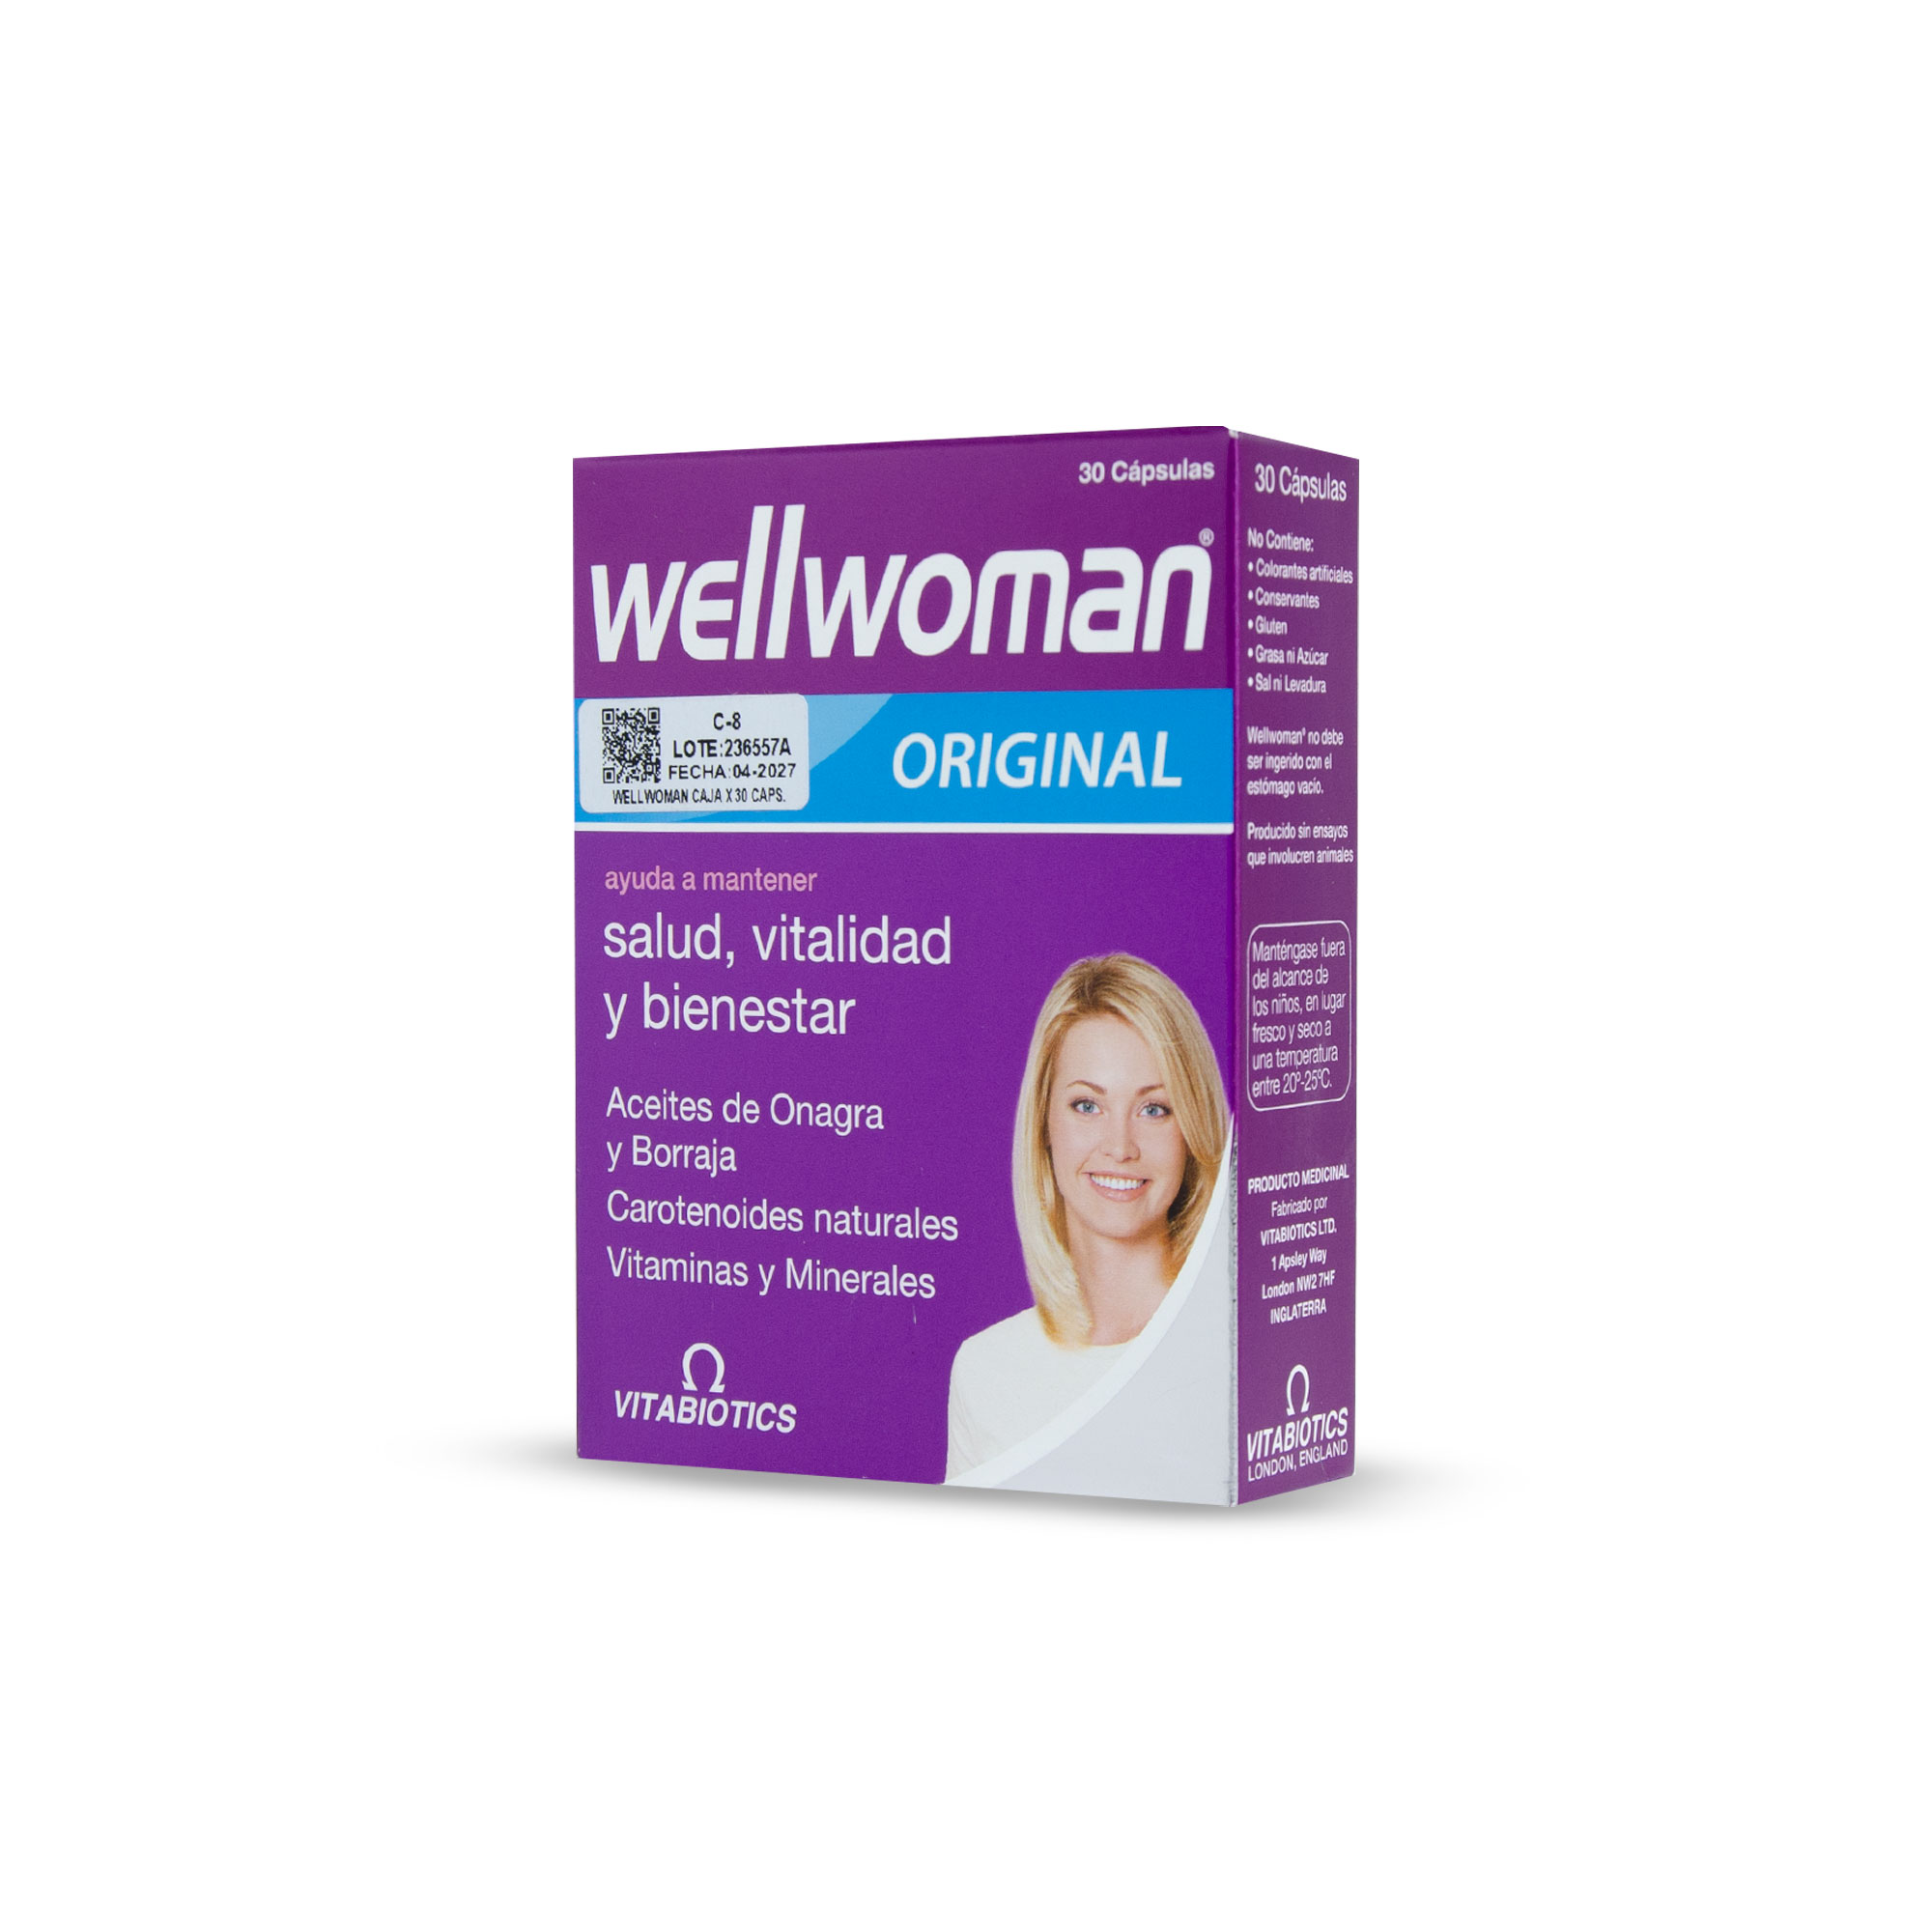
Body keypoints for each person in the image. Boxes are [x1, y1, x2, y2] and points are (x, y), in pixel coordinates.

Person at [945, 953, 1229, 1479]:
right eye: (1087, 1106)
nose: (1120, 1147)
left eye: (1154, 1109)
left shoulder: (1233, 1350)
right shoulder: (986, 1371)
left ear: (1192, 1130)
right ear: (1044, 1126)